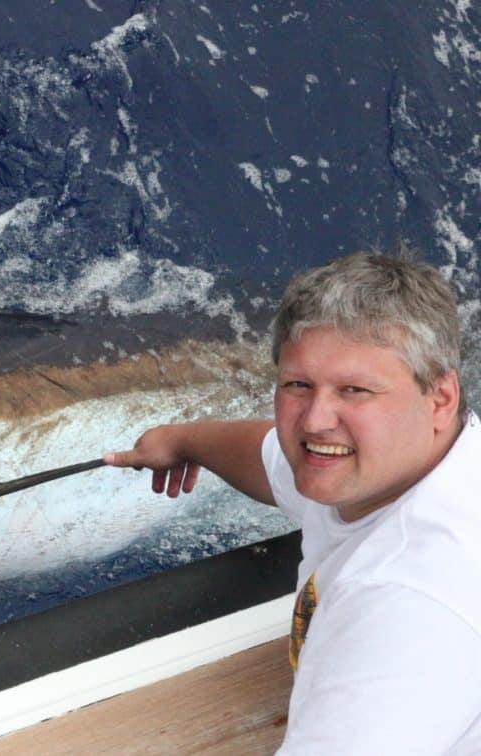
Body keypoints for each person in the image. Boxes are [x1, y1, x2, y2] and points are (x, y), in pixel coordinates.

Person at [104, 252, 481, 753]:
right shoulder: (398, 464)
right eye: (298, 385)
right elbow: (271, 459)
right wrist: (182, 441)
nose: (315, 421)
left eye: (355, 390)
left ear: (439, 399)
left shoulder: (405, 602)